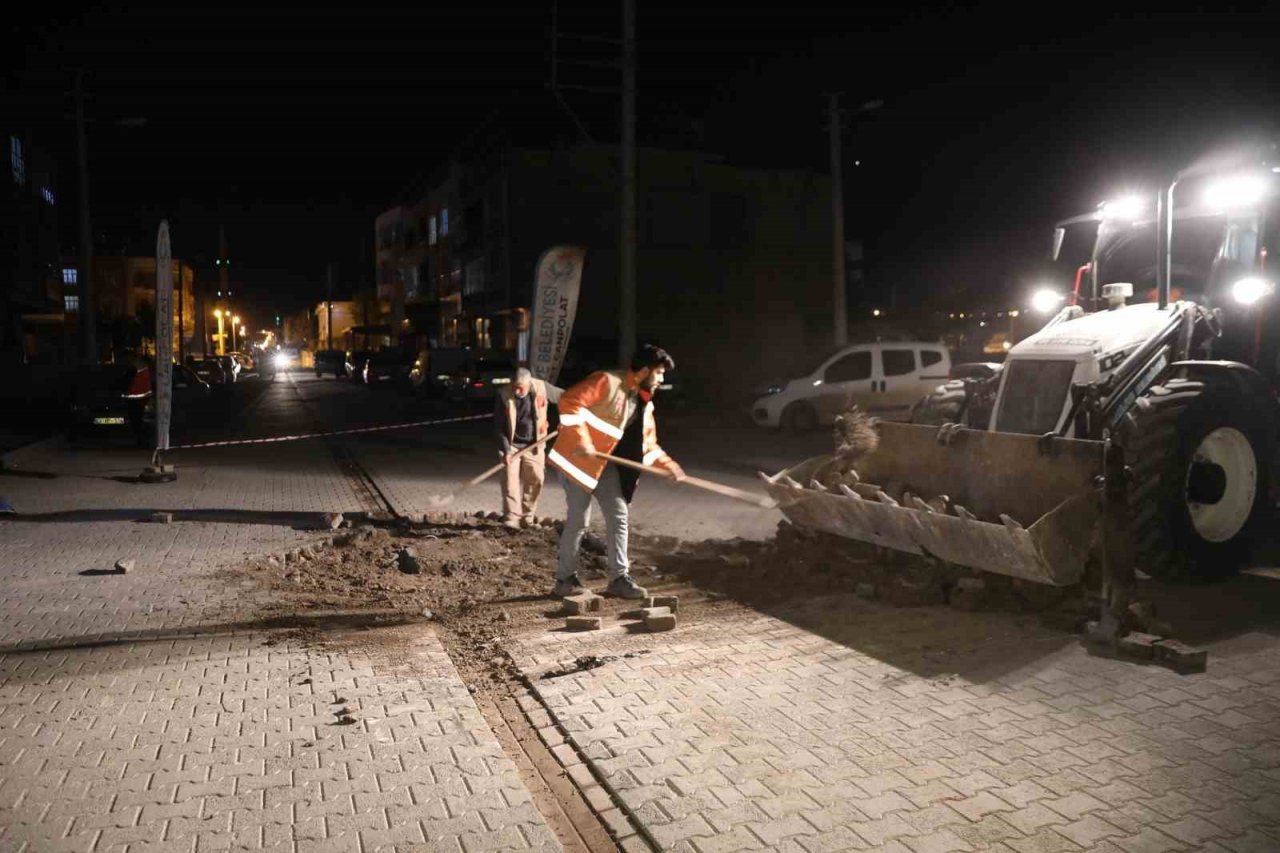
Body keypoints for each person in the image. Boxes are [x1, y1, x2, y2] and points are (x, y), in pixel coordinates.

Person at [548, 344, 686, 599]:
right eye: (659, 373)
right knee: (579, 520)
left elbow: (649, 446)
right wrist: (583, 441)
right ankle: (564, 580)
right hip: (577, 461)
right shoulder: (606, 381)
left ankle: (619, 578)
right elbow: (569, 401)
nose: (662, 379)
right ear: (644, 371)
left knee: (618, 514)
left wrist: (670, 467)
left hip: (604, 465)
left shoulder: (643, 404)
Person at [495, 368, 562, 529]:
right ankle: (512, 517)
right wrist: (505, 450)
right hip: (511, 445)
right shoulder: (504, 394)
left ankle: (527, 517)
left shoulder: (542, 388)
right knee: (510, 481)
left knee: (536, 479)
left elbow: (567, 398)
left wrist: (566, 419)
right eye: (515, 387)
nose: (517, 391)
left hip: (535, 444)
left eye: (521, 388)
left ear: (529, 383)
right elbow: (499, 426)